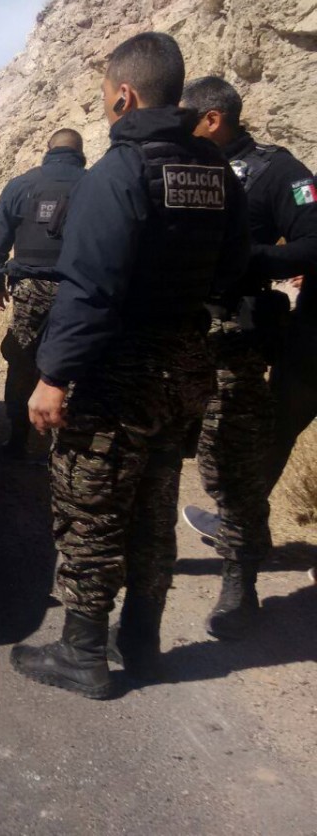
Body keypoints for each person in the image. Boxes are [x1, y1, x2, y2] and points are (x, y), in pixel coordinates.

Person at [11, 32, 249, 699]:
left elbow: (90, 288)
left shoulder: (118, 173)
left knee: (90, 509)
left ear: (123, 94)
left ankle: (82, 652)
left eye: (105, 96)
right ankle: (141, 643)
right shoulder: (213, 170)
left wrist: (53, 376)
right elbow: (233, 269)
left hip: (119, 374)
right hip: (186, 368)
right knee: (154, 505)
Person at [178, 77, 317, 638]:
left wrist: (247, 259)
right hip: (173, 339)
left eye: (187, 116)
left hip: (235, 343)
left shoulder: (277, 171)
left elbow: (313, 242)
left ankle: (241, 585)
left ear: (214, 119)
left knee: (232, 466)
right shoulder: (179, 166)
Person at [0, 128, 87, 457]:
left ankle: (17, 439)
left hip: (30, 291)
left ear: (47, 149)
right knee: (71, 363)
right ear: (80, 152)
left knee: (22, 361)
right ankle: (64, 444)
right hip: (78, 290)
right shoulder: (96, 184)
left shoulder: (21, 185)